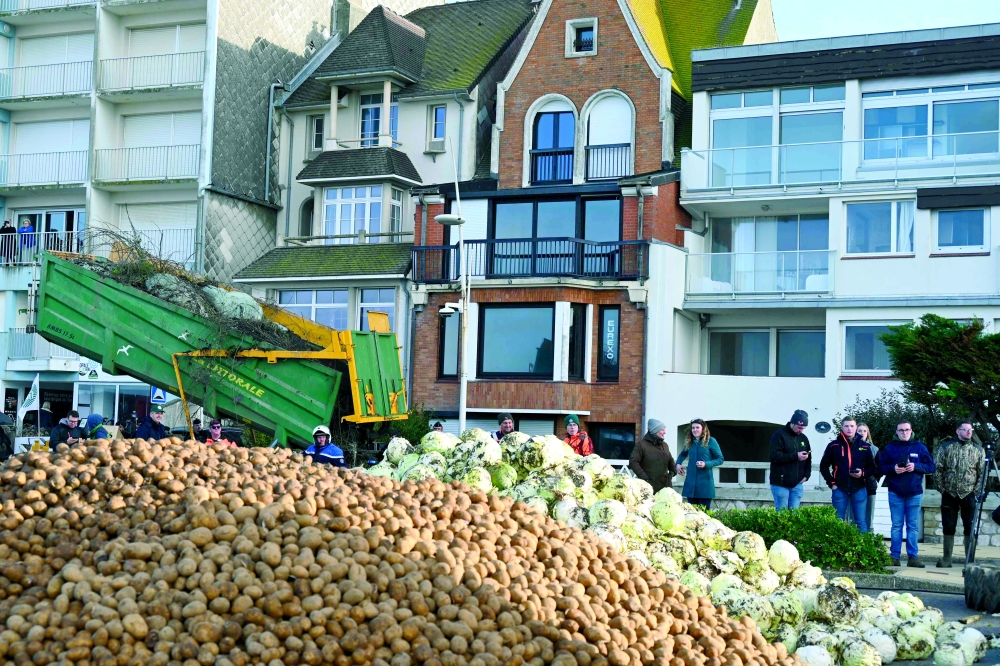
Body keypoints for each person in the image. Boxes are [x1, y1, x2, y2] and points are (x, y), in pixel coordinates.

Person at [878, 420, 935, 568]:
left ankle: (913, 557)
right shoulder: (890, 448)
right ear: (896, 432)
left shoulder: (920, 447)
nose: (904, 432)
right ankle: (894, 557)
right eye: (901, 430)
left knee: (912, 526)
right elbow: (880, 468)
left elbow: (931, 467)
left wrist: (916, 466)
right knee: (896, 526)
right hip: (895, 492)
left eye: (907, 430)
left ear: (911, 431)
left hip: (914, 493)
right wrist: (893, 469)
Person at [933, 421, 985, 568]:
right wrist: (941, 488)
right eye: (965, 429)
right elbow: (938, 469)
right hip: (949, 493)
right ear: (957, 431)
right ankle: (946, 559)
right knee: (948, 527)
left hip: (969, 494)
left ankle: (969, 560)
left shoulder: (978, 450)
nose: (969, 432)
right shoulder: (946, 447)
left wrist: (976, 492)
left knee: (970, 527)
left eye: (971, 430)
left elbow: (982, 473)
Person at [819, 418, 876, 533]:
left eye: (851, 426)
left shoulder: (865, 446)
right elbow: (823, 466)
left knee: (860, 521)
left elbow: (872, 467)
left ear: (856, 428)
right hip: (839, 488)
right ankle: (838, 549)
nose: (849, 428)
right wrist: (832, 483)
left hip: (859, 488)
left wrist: (862, 474)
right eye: (846, 426)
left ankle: (862, 550)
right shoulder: (833, 445)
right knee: (838, 521)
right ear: (842, 428)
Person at [675, 418, 724, 509]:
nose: (695, 430)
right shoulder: (690, 442)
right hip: (691, 484)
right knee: (692, 515)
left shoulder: (711, 441)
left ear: (703, 429)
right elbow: (682, 454)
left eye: (697, 427)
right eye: (693, 428)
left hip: (705, 486)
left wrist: (706, 464)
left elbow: (720, 459)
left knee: (704, 515)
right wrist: (678, 464)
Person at [769, 409, 812, 510]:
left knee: (795, 515)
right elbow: (774, 456)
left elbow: (808, 459)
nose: (801, 430)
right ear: (792, 423)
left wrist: (807, 475)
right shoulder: (779, 435)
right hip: (780, 483)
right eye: (799, 427)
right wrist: (796, 456)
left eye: (803, 428)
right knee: (782, 514)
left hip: (797, 483)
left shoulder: (803, 438)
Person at [630, 418, 676, 494]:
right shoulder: (641, 445)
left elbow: (670, 460)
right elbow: (633, 461)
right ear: (655, 431)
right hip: (649, 488)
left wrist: (672, 472)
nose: (665, 432)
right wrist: (645, 478)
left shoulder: (665, 445)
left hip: (666, 488)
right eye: (662, 430)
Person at [858, 423, 880, 534]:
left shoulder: (874, 449)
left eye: (864, 431)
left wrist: (872, 477)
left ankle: (869, 540)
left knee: (869, 515)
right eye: (859, 431)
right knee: (855, 515)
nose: (862, 433)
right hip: (855, 486)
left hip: (870, 486)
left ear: (868, 433)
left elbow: (878, 467)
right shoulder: (851, 447)